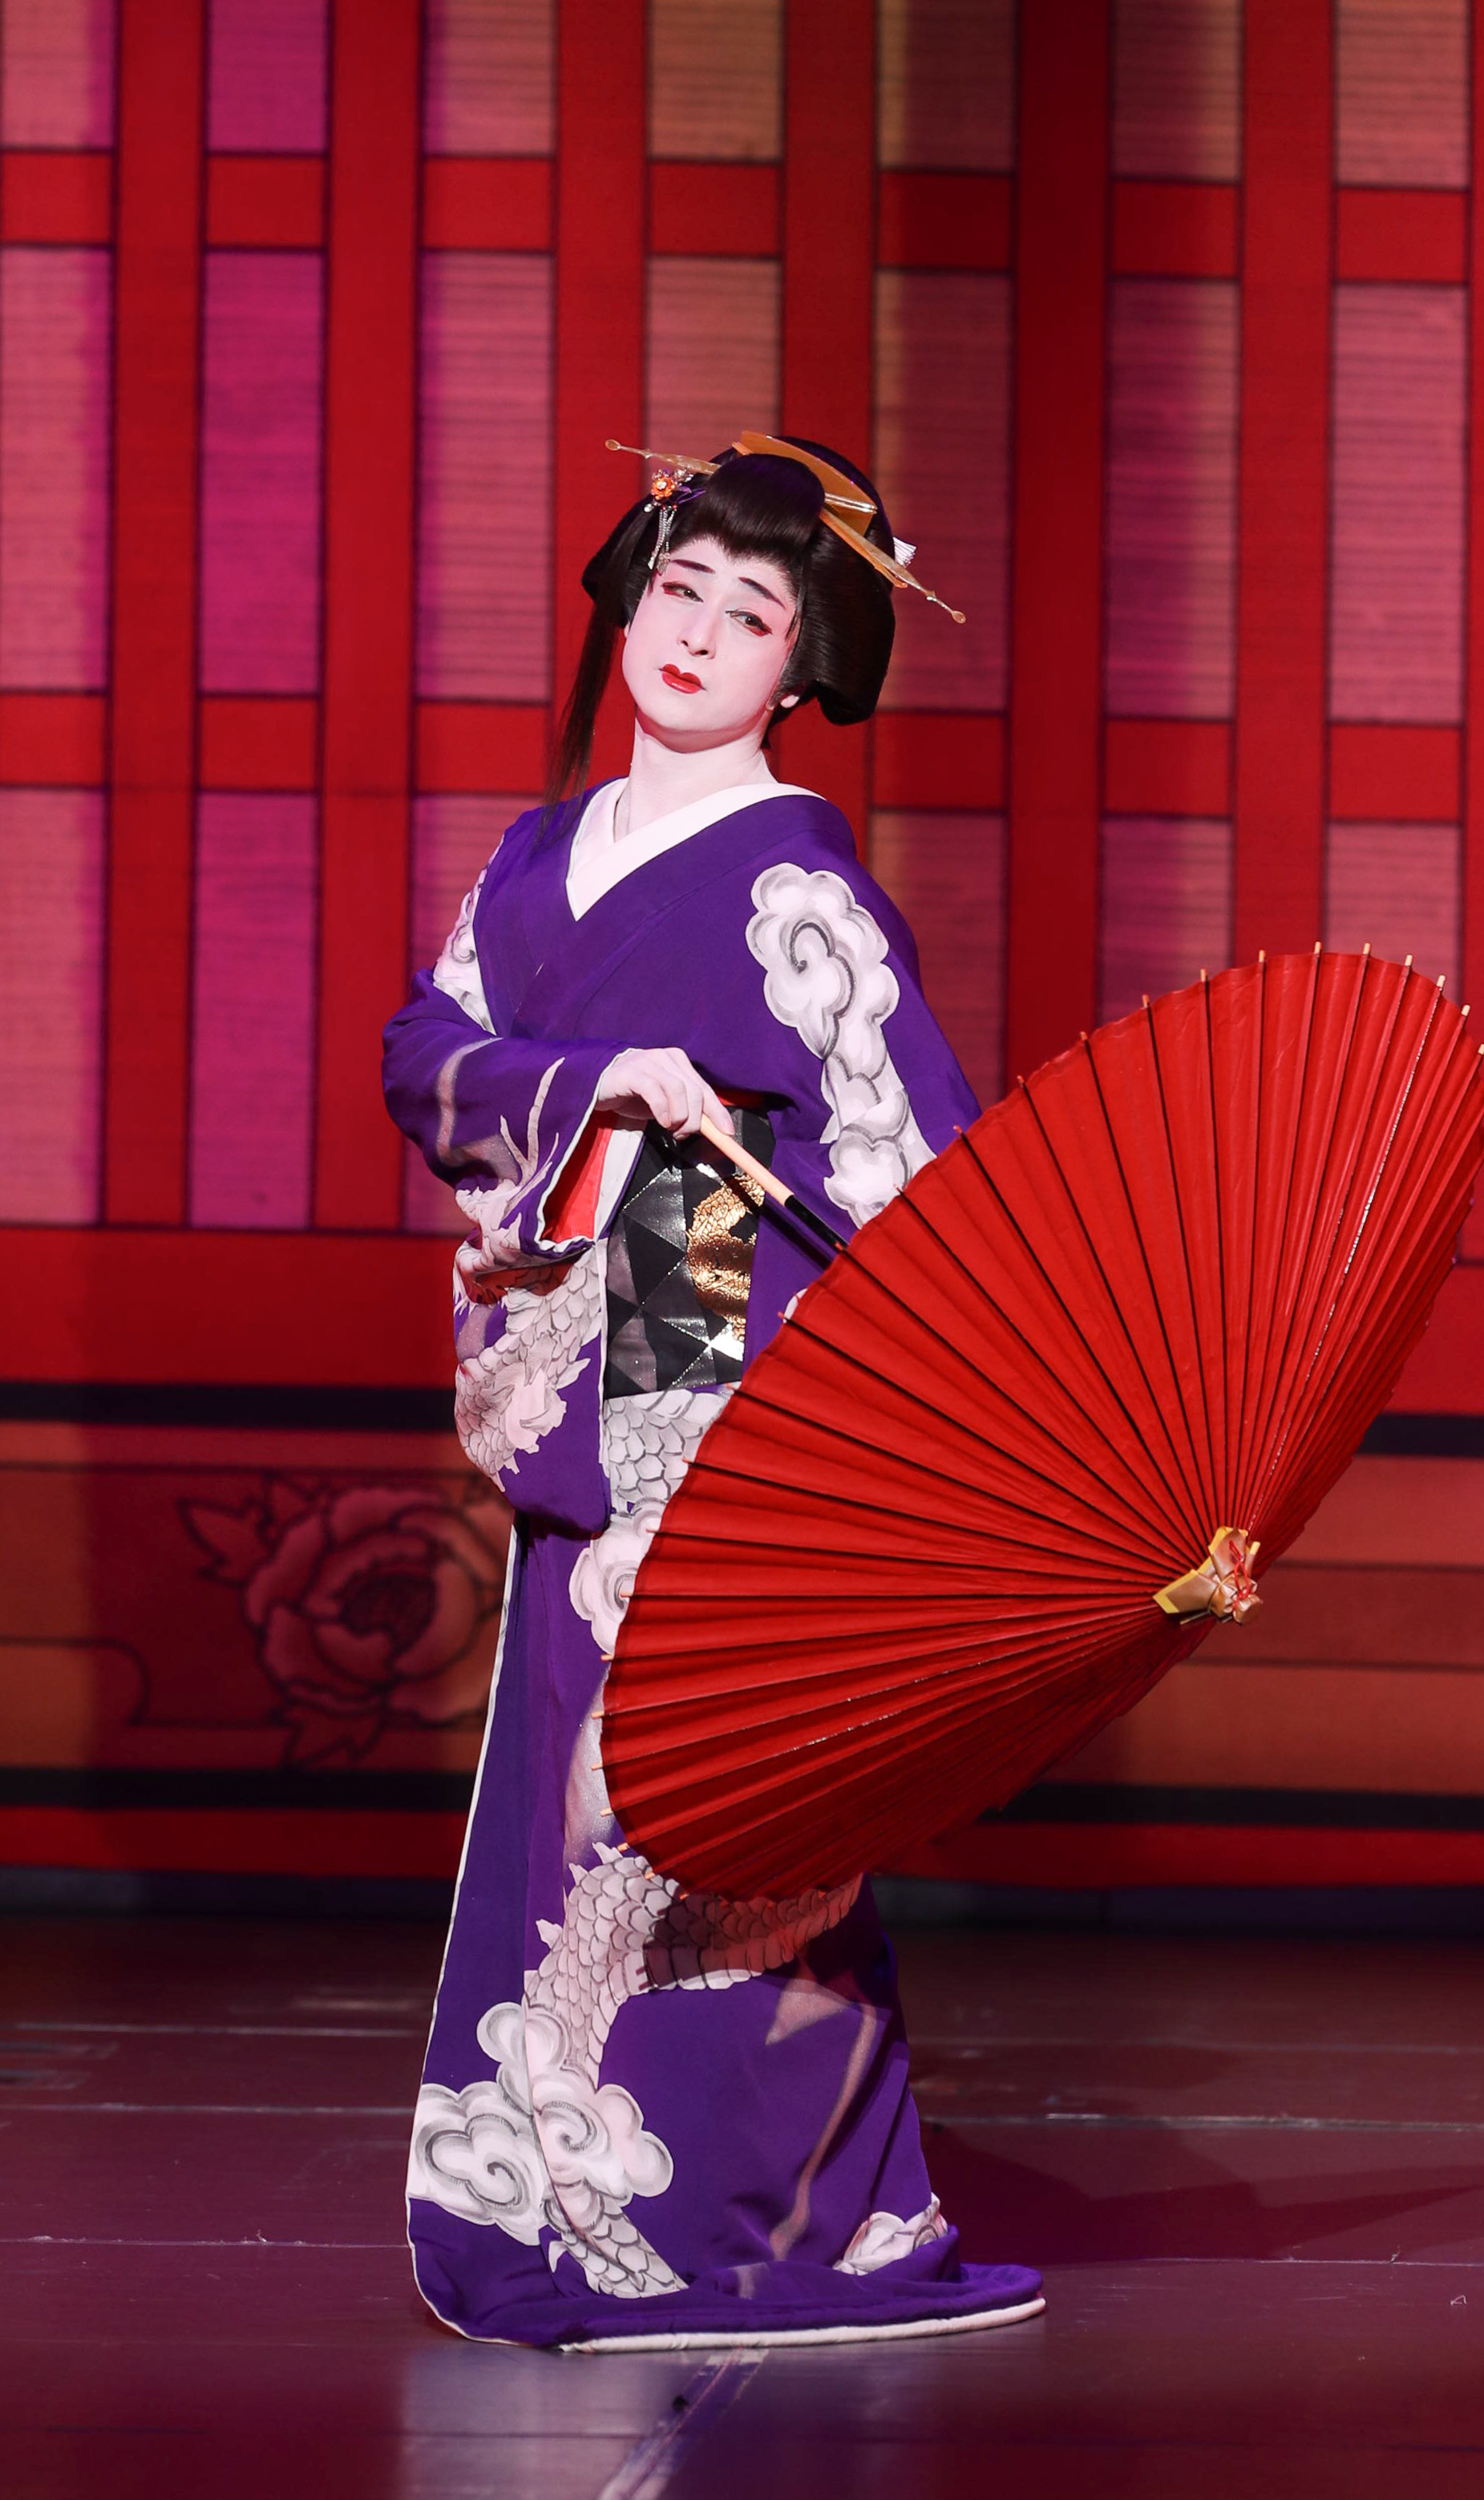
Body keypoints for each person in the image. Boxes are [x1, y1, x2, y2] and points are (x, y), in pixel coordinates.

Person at [382, 433, 1043, 2348]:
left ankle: (766, 2212)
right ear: (626, 599)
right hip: (572, 1326)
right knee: (569, 1792)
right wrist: (594, 1082)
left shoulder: (793, 882)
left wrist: (710, 1211)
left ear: (802, 666)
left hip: (703, 1329)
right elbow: (427, 1045)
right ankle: (619, 2190)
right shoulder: (536, 852)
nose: (696, 631)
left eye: (751, 613)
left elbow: (909, 1174)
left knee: (697, 1784)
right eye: (678, 586)